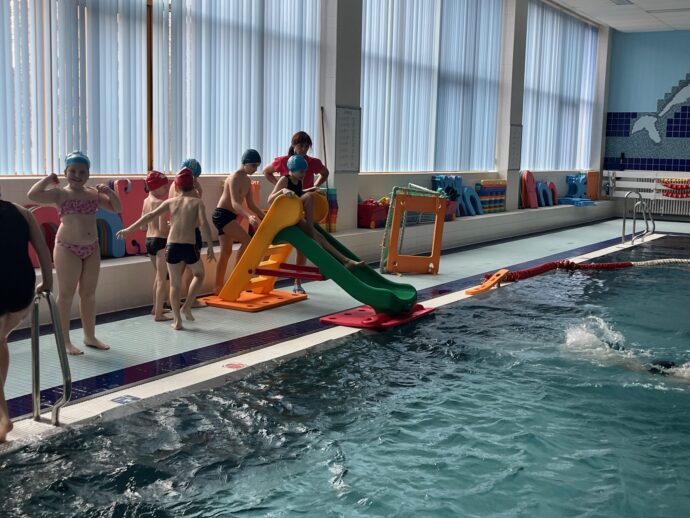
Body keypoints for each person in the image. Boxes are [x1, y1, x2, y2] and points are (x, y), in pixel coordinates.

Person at [27, 151, 121, 355]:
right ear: (65, 172)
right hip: (67, 248)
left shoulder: (93, 194)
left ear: (88, 173)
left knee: (89, 294)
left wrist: (110, 192)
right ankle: (65, 341)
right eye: (73, 171)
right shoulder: (60, 194)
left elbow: (116, 208)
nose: (77, 175)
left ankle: (90, 336)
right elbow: (32, 195)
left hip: (92, 247)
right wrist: (47, 180)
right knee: (66, 295)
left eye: (82, 171)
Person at [118, 168, 215, 330]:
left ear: (176, 187)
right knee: (199, 274)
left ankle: (177, 321)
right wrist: (210, 245)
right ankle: (187, 305)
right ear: (193, 187)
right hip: (189, 246)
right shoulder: (197, 202)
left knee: (174, 285)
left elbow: (148, 216)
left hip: (171, 246)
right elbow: (204, 224)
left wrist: (129, 229)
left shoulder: (169, 202)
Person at [0, 188, 54, 443]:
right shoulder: (22, 212)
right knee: (0, 340)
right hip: (22, 289)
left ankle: (3, 416)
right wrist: (48, 283)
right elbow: (42, 248)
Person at [267, 155, 363, 272]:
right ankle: (312, 229)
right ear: (292, 169)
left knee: (320, 236)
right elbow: (270, 200)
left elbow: (298, 193)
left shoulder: (298, 180)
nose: (304, 174)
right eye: (301, 172)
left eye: (305, 172)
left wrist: (311, 189)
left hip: (294, 217)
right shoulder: (284, 180)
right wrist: (282, 190)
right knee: (309, 199)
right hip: (284, 219)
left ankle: (346, 261)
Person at [263, 132, 330, 293]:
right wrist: (280, 186)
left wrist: (315, 185)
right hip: (286, 209)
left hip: (303, 207)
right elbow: (266, 171)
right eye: (301, 146)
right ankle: (263, 274)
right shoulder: (285, 161)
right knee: (271, 242)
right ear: (294, 146)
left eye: (307, 146)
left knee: (303, 244)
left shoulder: (312, 162)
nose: (304, 149)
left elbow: (325, 173)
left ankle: (297, 281)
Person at [212, 149, 265, 294]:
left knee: (226, 252)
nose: (255, 169)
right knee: (247, 240)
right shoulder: (234, 177)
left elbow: (251, 204)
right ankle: (237, 278)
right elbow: (235, 203)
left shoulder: (247, 181)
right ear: (245, 163)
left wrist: (263, 216)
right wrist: (249, 217)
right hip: (222, 215)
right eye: (253, 165)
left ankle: (218, 287)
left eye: (257, 166)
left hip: (231, 216)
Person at [168, 158, 205, 306]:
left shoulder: (174, 185)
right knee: (192, 269)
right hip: (191, 232)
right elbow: (196, 211)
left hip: (175, 232)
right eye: (195, 177)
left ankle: (173, 301)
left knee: (177, 270)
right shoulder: (194, 189)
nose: (196, 180)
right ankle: (191, 300)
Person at [142, 171, 171, 321]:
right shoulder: (161, 204)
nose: (167, 189)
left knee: (158, 277)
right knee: (161, 279)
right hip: (160, 241)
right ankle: (159, 314)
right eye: (164, 187)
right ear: (155, 187)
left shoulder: (146, 201)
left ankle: (155, 308)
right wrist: (171, 226)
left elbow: (142, 226)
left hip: (149, 240)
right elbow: (163, 230)